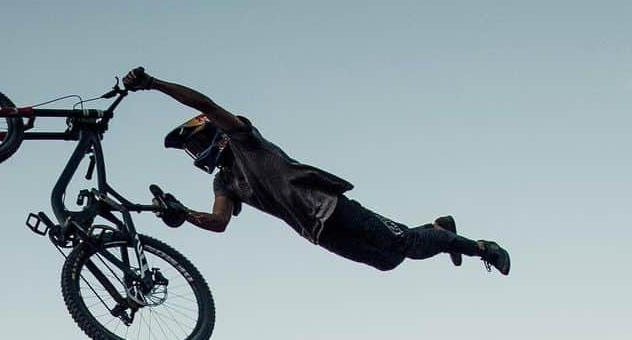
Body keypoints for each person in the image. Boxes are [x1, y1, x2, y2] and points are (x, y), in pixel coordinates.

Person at [121, 68, 511, 277]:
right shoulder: (223, 180)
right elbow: (219, 222)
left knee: (404, 244)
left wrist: (154, 84)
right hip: (315, 232)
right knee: (388, 262)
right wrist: (181, 214)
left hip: (330, 208)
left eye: (192, 143)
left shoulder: (242, 138)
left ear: (211, 131)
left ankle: (481, 248)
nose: (193, 153)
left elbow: (205, 100)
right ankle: (440, 230)